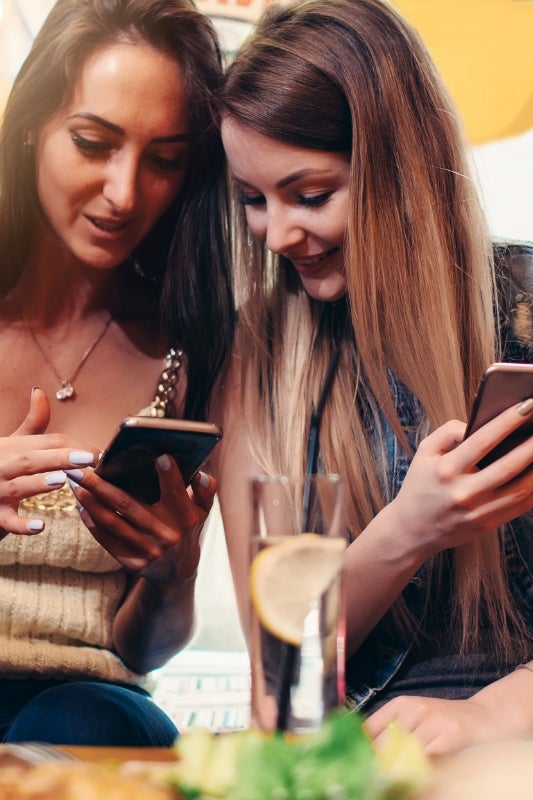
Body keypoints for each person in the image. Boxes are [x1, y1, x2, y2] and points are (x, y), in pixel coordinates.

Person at [214, 0, 533, 756]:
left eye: (311, 194)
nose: (278, 235)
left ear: (402, 165)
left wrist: (491, 716)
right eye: (252, 201)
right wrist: (407, 530)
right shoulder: (260, 355)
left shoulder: (522, 308)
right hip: (353, 755)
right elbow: (281, 679)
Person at [0, 0, 233, 745]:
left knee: (87, 724)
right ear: (34, 122)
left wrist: (173, 576)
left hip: (88, 709)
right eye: (94, 142)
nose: (126, 193)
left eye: (164, 159)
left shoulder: (191, 348)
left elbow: (141, 649)